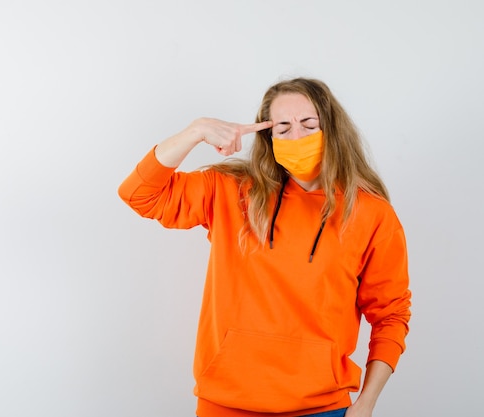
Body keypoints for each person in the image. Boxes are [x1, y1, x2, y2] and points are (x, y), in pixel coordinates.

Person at [118, 77, 411, 417]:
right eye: (283, 127)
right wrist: (194, 132)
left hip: (321, 407)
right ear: (267, 135)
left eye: (309, 124)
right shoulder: (230, 191)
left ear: (331, 128)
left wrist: (366, 404)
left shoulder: (370, 212)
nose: (296, 136)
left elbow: (391, 315)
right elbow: (139, 194)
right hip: (225, 404)